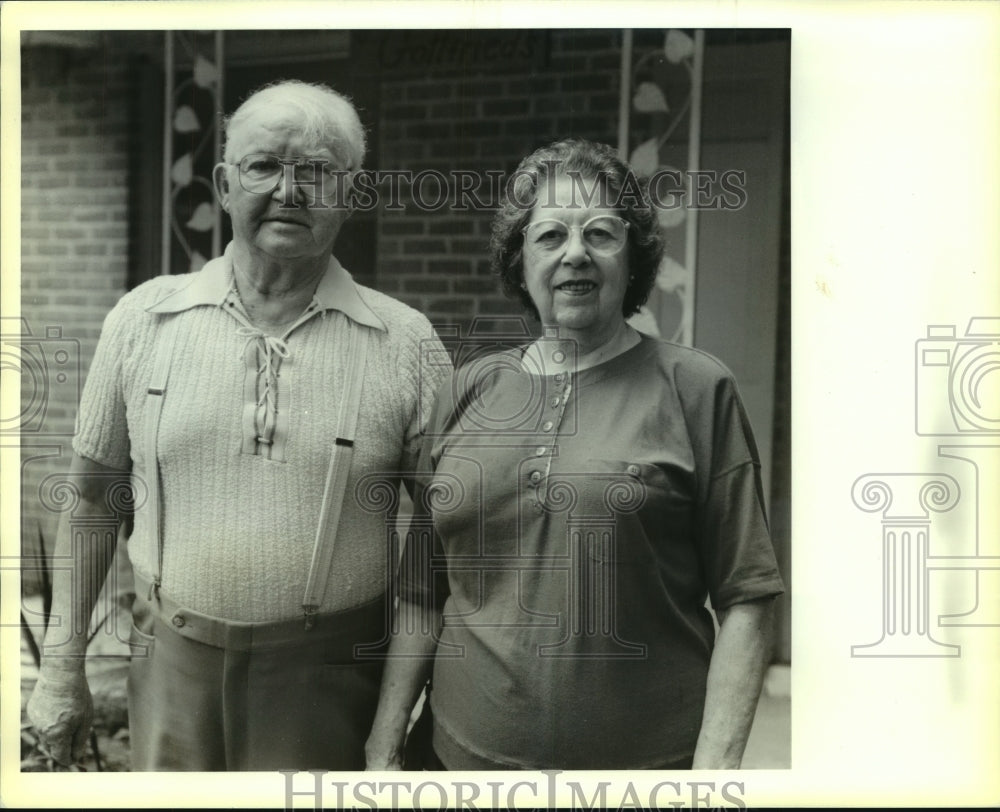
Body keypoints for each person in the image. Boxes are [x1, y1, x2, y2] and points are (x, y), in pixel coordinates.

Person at [27, 79, 449, 771]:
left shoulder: (405, 344)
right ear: (224, 183)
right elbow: (93, 501)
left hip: (331, 682)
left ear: (352, 193)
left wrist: (391, 726)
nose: (290, 191)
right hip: (169, 669)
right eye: (265, 166)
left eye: (317, 171)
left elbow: (435, 558)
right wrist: (60, 669)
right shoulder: (142, 320)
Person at [365, 138, 784, 771]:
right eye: (550, 235)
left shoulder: (695, 388)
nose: (575, 253)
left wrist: (712, 775)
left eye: (601, 233)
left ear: (632, 254)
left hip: (642, 777)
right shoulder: (470, 388)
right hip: (453, 766)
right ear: (520, 258)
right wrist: (385, 740)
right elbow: (424, 591)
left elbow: (747, 594)